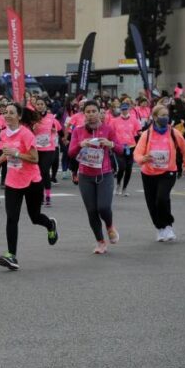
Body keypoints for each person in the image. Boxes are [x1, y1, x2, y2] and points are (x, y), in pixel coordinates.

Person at [0, 102, 58, 271]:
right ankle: (11, 255)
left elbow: (35, 159)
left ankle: (50, 225)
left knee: (35, 217)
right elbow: (8, 151)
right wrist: (0, 160)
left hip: (32, 181)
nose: (7, 115)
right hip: (13, 181)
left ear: (19, 116)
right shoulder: (4, 133)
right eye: (5, 112)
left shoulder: (26, 134)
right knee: (12, 218)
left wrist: (17, 154)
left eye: (11, 112)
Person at [68, 100, 123, 255]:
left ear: (99, 113)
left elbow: (121, 149)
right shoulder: (78, 131)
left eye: (94, 111)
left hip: (104, 174)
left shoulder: (108, 129)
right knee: (92, 211)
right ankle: (100, 242)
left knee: (103, 207)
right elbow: (70, 152)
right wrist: (80, 144)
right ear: (83, 114)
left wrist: (110, 144)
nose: (91, 114)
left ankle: (110, 226)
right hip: (85, 176)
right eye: (88, 111)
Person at [133, 105, 185, 242]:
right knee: (152, 203)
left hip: (168, 172)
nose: (165, 118)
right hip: (149, 173)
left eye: (167, 115)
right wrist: (142, 159)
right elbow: (137, 153)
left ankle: (168, 226)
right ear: (154, 117)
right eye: (162, 115)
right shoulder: (147, 134)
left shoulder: (174, 133)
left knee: (162, 198)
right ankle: (160, 228)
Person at [32, 98, 62, 206]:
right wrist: (32, 128)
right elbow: (27, 132)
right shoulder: (32, 118)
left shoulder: (51, 118)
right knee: (38, 173)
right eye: (38, 104)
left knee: (44, 171)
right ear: (35, 106)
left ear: (45, 105)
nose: (40, 106)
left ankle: (48, 195)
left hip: (49, 148)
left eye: (42, 104)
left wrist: (55, 132)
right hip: (35, 149)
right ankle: (40, 196)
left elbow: (60, 131)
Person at [109, 103, 141, 197]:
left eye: (126, 109)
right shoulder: (114, 121)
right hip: (119, 147)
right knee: (122, 167)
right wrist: (111, 145)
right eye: (123, 109)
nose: (124, 111)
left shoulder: (134, 120)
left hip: (131, 147)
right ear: (120, 110)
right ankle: (118, 185)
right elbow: (111, 133)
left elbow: (139, 132)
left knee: (129, 168)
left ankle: (124, 188)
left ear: (129, 109)